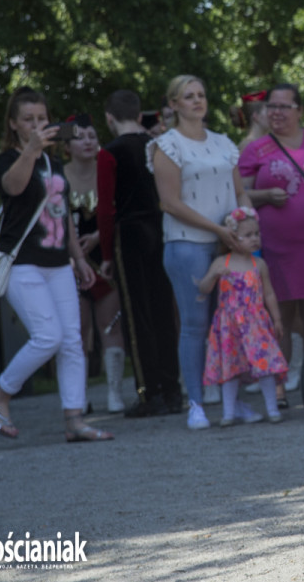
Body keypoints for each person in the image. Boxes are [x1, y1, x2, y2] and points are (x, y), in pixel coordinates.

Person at [0, 87, 111, 442]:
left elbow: (63, 211)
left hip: (58, 263)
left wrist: (78, 257)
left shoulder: (54, 164)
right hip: (22, 263)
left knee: (71, 341)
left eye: (42, 118)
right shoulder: (8, 159)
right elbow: (14, 189)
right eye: (28, 120)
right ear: (13, 124)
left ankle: (74, 419)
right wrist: (32, 149)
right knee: (48, 336)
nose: (37, 124)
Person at [150, 74, 252, 430]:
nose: (197, 101)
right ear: (174, 104)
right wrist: (218, 228)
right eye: (189, 96)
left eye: (201, 95)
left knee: (234, 322)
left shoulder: (224, 143)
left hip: (228, 241)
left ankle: (232, 402)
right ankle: (196, 403)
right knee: (195, 325)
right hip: (187, 244)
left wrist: (245, 223)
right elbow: (170, 202)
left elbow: (239, 192)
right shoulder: (168, 146)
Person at [239, 83, 304, 406]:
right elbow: (240, 195)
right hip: (275, 246)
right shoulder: (255, 150)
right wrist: (265, 196)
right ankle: (278, 390)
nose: (277, 113)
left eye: (284, 106)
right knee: (278, 315)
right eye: (271, 106)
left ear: (299, 110)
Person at [97, 90, 183, 418]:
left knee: (137, 315)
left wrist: (107, 253)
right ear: (138, 114)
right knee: (162, 309)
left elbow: (106, 209)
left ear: (109, 118)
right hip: (160, 229)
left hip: (129, 234)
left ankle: (150, 391)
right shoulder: (156, 145)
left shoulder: (109, 154)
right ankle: (172, 388)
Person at [197, 207, 288, 425]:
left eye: (256, 234)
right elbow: (203, 288)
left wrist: (276, 319)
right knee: (230, 368)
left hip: (256, 324)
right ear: (230, 238)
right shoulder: (222, 263)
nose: (255, 239)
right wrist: (213, 275)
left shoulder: (259, 264)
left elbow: (268, 293)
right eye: (248, 235)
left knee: (264, 365)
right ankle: (228, 413)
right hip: (229, 326)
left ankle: (272, 408)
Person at [62, 114, 125, 413]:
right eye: (80, 136)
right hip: (69, 262)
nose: (88, 141)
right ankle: (79, 397)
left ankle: (114, 393)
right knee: (77, 331)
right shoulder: (57, 176)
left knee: (110, 325)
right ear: (67, 145)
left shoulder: (108, 170)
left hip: (104, 261)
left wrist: (101, 236)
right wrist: (73, 251)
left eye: (92, 135)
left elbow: (119, 210)